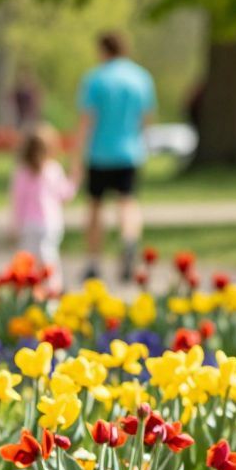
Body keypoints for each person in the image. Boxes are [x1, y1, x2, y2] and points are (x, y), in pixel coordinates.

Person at [70, 31, 156, 283]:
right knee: (127, 202)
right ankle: (129, 240)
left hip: (99, 152)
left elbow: (87, 121)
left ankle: (94, 261)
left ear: (103, 50)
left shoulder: (96, 79)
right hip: (130, 151)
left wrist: (77, 155)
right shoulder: (141, 78)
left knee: (95, 206)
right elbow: (146, 119)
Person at [9, 124, 76, 292]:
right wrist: (75, 178)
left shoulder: (22, 172)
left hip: (29, 224)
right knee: (49, 256)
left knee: (28, 260)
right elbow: (65, 195)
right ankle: (53, 288)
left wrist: (16, 224)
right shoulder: (53, 170)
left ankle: (28, 290)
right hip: (50, 223)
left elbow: (18, 201)